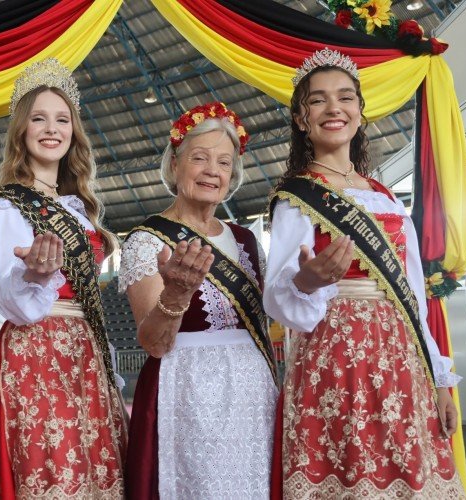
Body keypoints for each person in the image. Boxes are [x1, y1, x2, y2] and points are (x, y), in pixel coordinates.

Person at [264, 48, 466, 498]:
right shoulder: (296, 197)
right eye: (317, 100)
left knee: (408, 472)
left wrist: (439, 382)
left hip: (401, 357)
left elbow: (412, 294)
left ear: (359, 111)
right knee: (350, 470)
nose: (333, 108)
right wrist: (307, 281)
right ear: (301, 119)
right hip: (335, 359)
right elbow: (275, 296)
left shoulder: (387, 198)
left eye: (345, 97)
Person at [120, 102, 279, 499]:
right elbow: (154, 342)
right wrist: (175, 295)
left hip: (252, 397)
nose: (212, 170)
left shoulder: (246, 240)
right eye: (200, 158)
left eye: (224, 163)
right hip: (185, 392)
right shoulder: (147, 240)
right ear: (175, 165)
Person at [0, 58, 126, 499]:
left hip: (85, 349)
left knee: (94, 472)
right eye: (38, 118)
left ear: (74, 131)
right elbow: (10, 296)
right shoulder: (6, 204)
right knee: (52, 473)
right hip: (35, 351)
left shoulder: (78, 206)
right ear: (21, 131)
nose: (51, 128)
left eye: (62, 119)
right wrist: (32, 272)